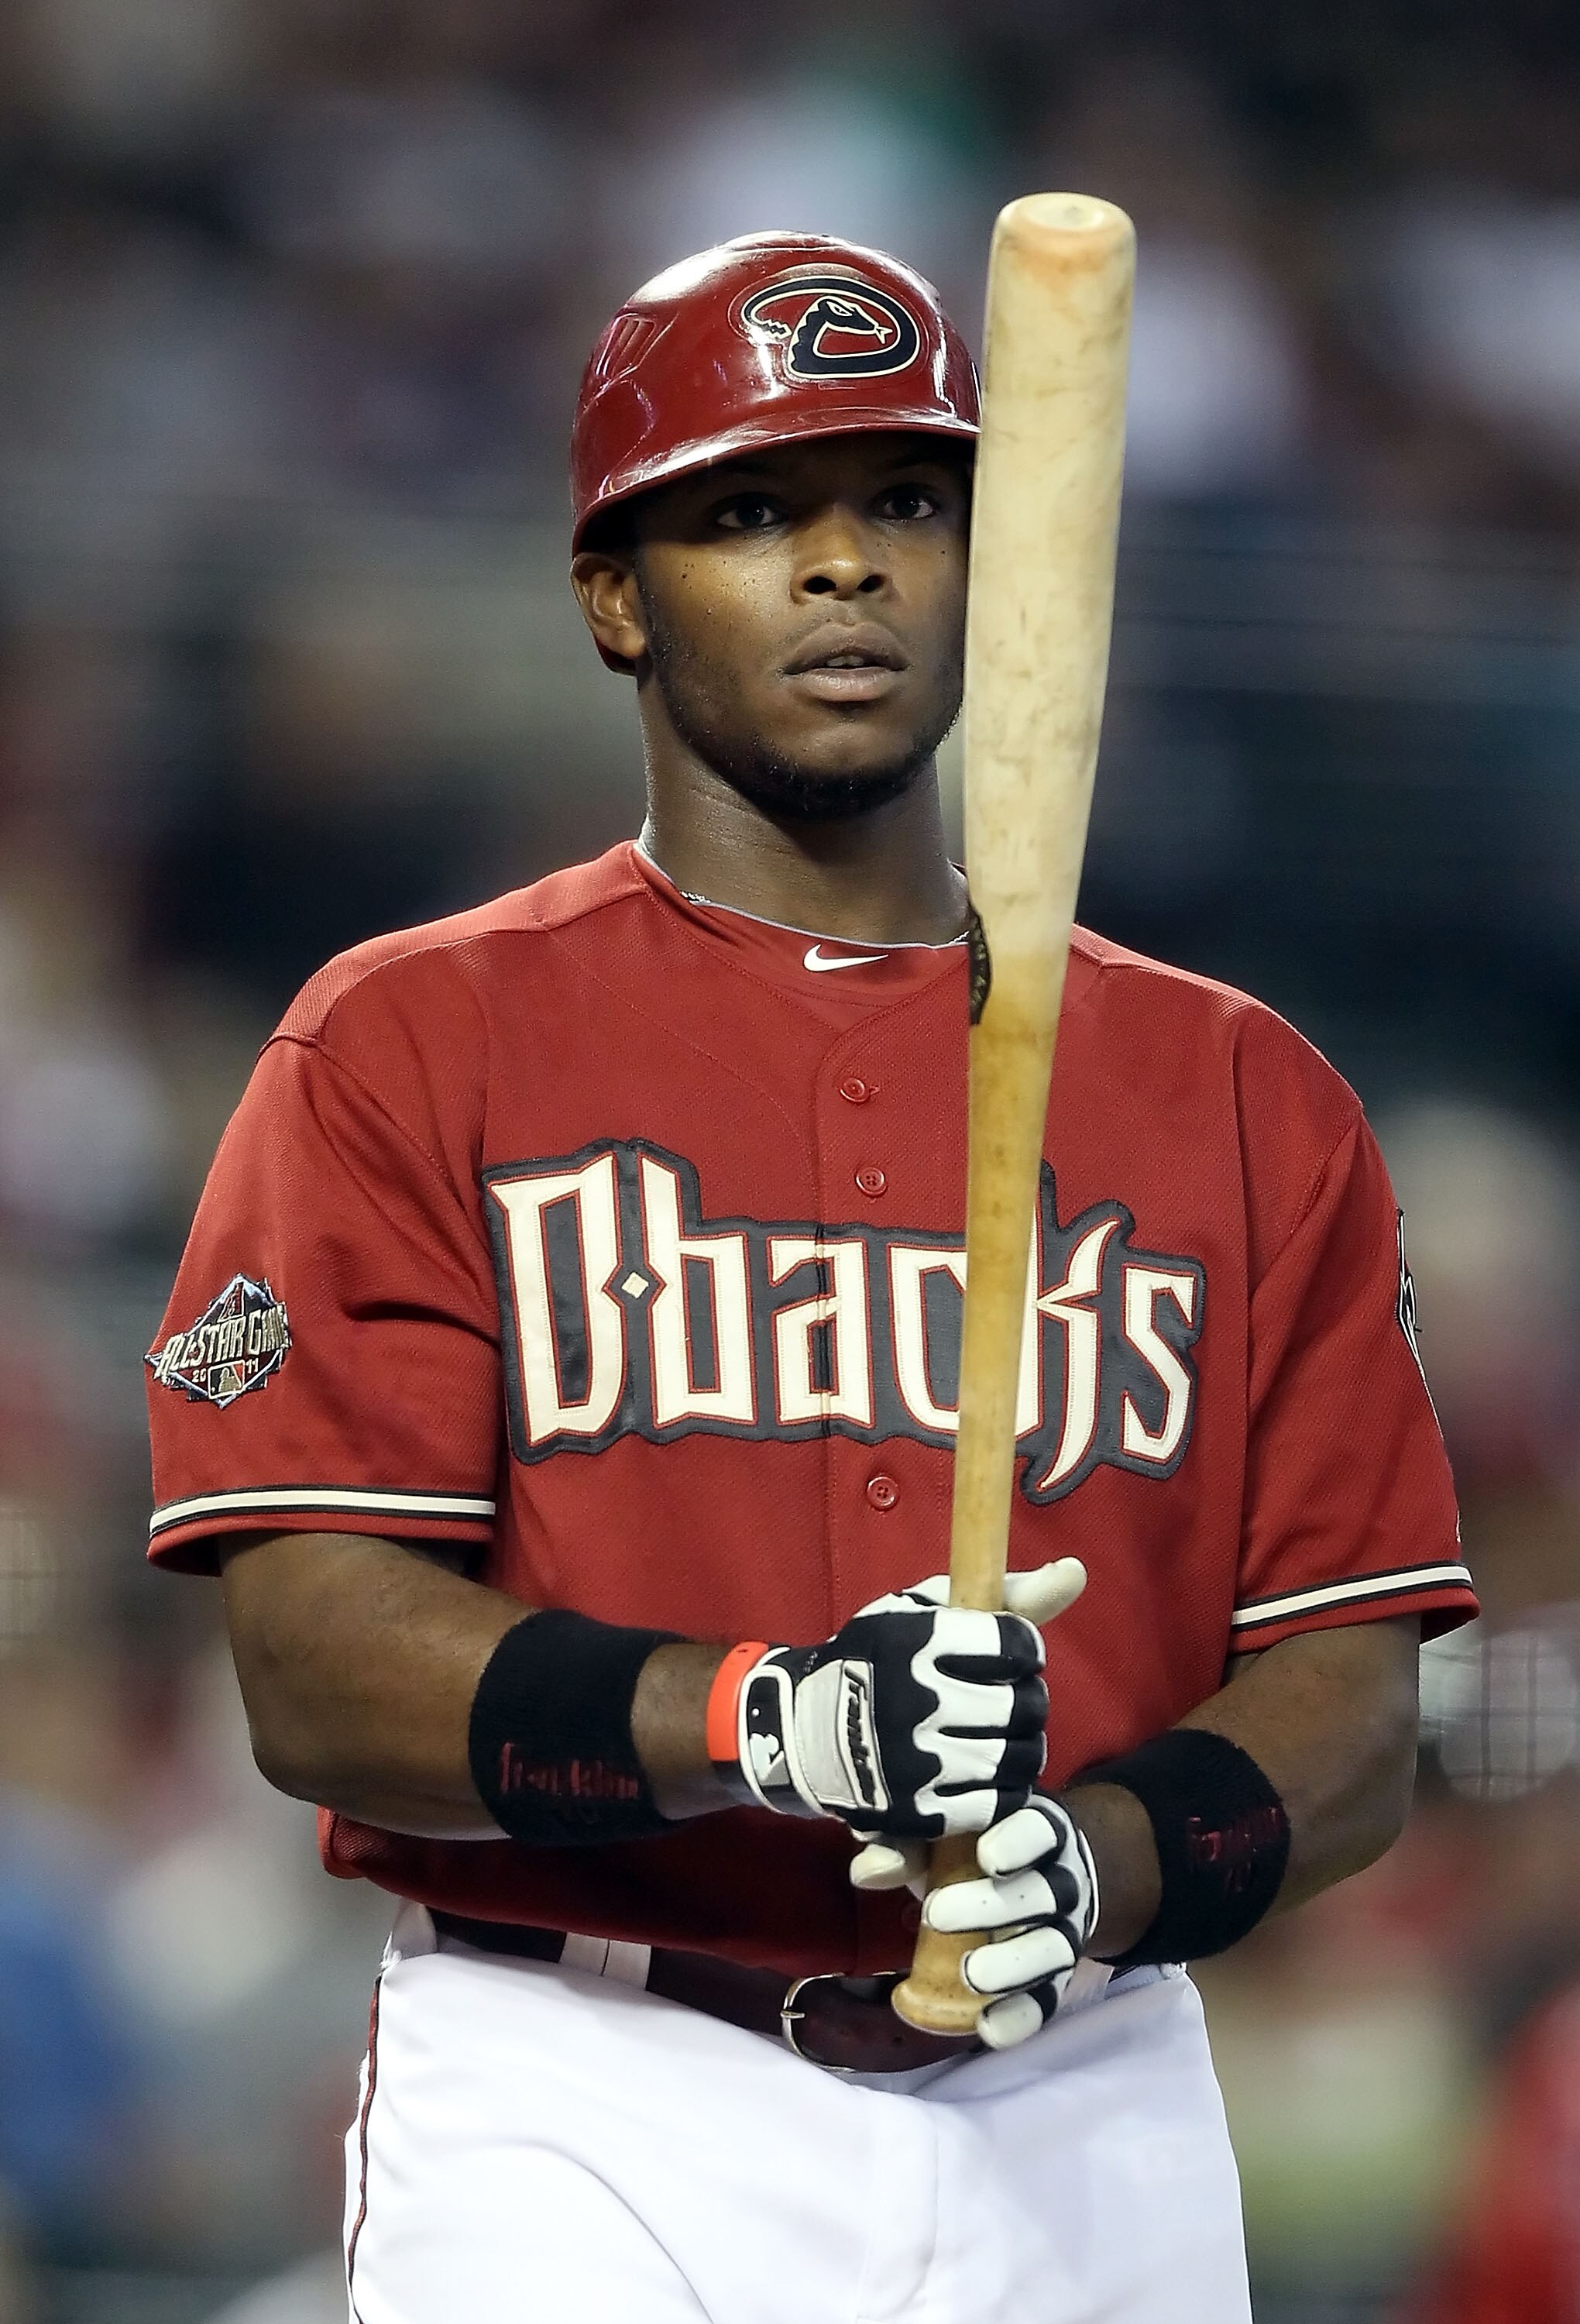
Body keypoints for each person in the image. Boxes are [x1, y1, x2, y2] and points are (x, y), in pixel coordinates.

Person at [144, 232, 1478, 2323]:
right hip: (588, 2083)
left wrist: (1100, 1863)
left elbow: (1358, 1699)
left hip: (1085, 2092)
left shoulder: (1239, 1089)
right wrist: (766, 1717)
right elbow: (312, 1660)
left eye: (907, 506)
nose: (843, 566)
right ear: (614, 595)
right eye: (753, 511)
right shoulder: (409, 1040)